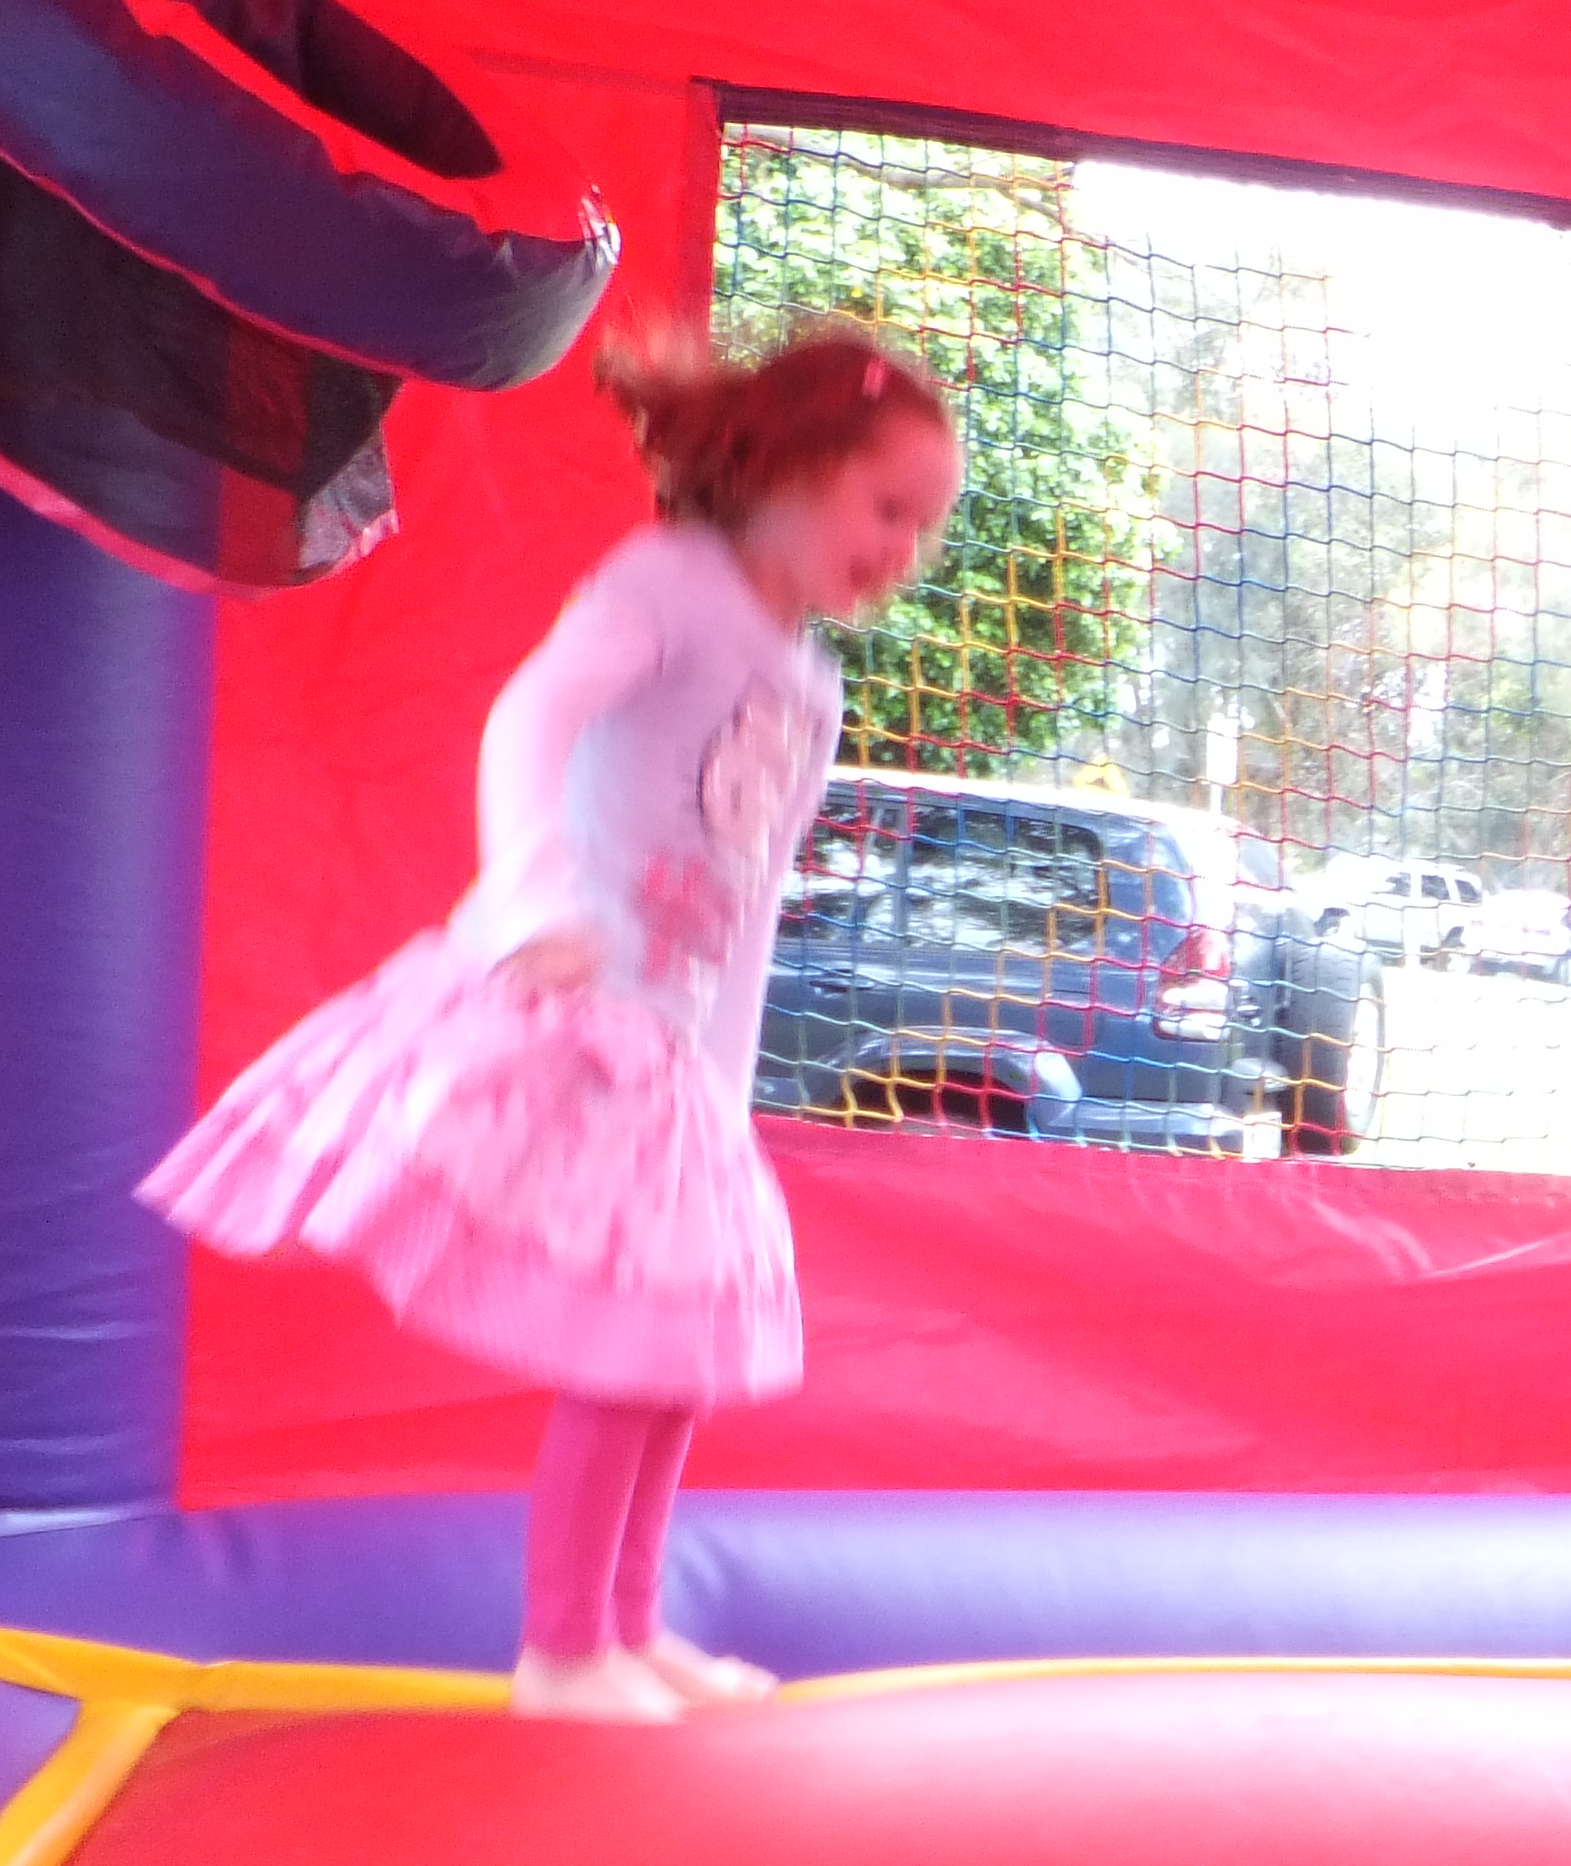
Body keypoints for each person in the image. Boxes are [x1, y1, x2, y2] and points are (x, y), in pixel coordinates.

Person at [144, 326, 961, 1720]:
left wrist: (727, 1086)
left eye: (924, 532)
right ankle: (564, 1648)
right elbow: (529, 718)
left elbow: (751, 900)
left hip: (673, 1060)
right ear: (791, 464)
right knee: (630, 1342)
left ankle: (630, 1627)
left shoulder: (811, 688)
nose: (902, 551)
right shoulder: (672, 588)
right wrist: (533, 900)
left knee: (684, 1344)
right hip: (572, 1004)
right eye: (887, 509)